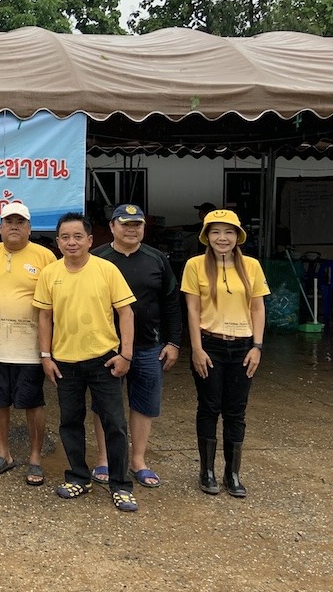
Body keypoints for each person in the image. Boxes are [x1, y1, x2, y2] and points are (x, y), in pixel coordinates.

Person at [33, 212, 139, 513]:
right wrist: (45, 356)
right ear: (57, 242)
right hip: (65, 362)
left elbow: (126, 313)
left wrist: (126, 354)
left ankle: (120, 485)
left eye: (78, 236)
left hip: (104, 360)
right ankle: (78, 477)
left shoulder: (107, 270)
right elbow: (44, 317)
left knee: (115, 424)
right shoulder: (49, 274)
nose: (72, 242)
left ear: (90, 240)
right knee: (70, 422)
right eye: (65, 237)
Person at [90, 204, 182, 489]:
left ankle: (138, 460)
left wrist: (174, 342)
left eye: (137, 225)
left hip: (148, 346)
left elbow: (171, 303)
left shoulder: (157, 259)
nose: (131, 230)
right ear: (112, 226)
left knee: (144, 404)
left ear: (144, 228)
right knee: (105, 405)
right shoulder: (96, 259)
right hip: (106, 347)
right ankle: (105, 458)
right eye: (125, 224)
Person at [182, 208, 269, 498]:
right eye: (216, 232)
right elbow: (192, 309)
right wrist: (196, 348)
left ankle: (232, 473)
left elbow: (258, 308)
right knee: (209, 407)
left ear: (238, 236)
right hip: (210, 345)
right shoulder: (195, 265)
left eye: (229, 232)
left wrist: (257, 346)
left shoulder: (251, 266)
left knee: (236, 411)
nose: (222, 238)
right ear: (206, 236)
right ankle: (206, 471)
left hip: (243, 346)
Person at [0, 201, 57, 485]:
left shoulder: (45, 257)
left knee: (33, 402)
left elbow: (56, 302)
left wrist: (49, 345)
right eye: (9, 222)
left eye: (20, 222)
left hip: (30, 347)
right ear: (0, 227)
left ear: (30, 228)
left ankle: (35, 459)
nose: (14, 227)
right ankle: (3, 454)